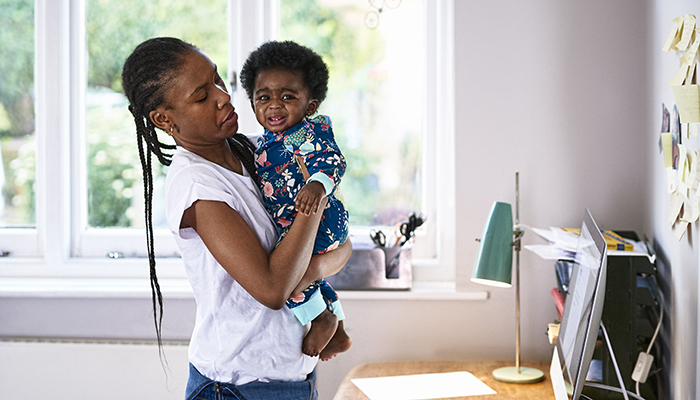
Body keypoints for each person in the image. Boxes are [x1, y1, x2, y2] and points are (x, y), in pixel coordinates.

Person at [121, 37, 352, 400]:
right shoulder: (197, 185)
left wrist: (311, 271)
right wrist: (314, 194)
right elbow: (274, 290)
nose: (223, 96)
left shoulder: (255, 152)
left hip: (292, 379)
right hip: (236, 387)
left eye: (217, 80)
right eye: (201, 96)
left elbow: (342, 246)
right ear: (164, 119)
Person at [239, 40, 351, 362]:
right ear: (253, 104)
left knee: (288, 273)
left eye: (288, 97)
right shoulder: (261, 144)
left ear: (310, 106)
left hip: (321, 216)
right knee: (312, 274)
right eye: (264, 97)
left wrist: (317, 185)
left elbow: (332, 160)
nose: (274, 105)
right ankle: (339, 328)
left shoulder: (310, 132)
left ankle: (320, 318)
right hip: (303, 221)